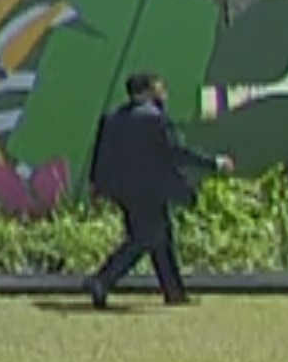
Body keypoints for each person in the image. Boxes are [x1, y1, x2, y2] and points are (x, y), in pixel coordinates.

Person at [88, 73, 229, 309]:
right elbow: (176, 152)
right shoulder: (156, 119)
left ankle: (173, 292)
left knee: (161, 238)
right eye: (159, 88)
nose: (163, 93)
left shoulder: (112, 118)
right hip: (151, 191)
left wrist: (97, 186)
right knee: (144, 238)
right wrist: (213, 163)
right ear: (147, 91)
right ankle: (102, 280)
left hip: (123, 191)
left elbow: (100, 156)